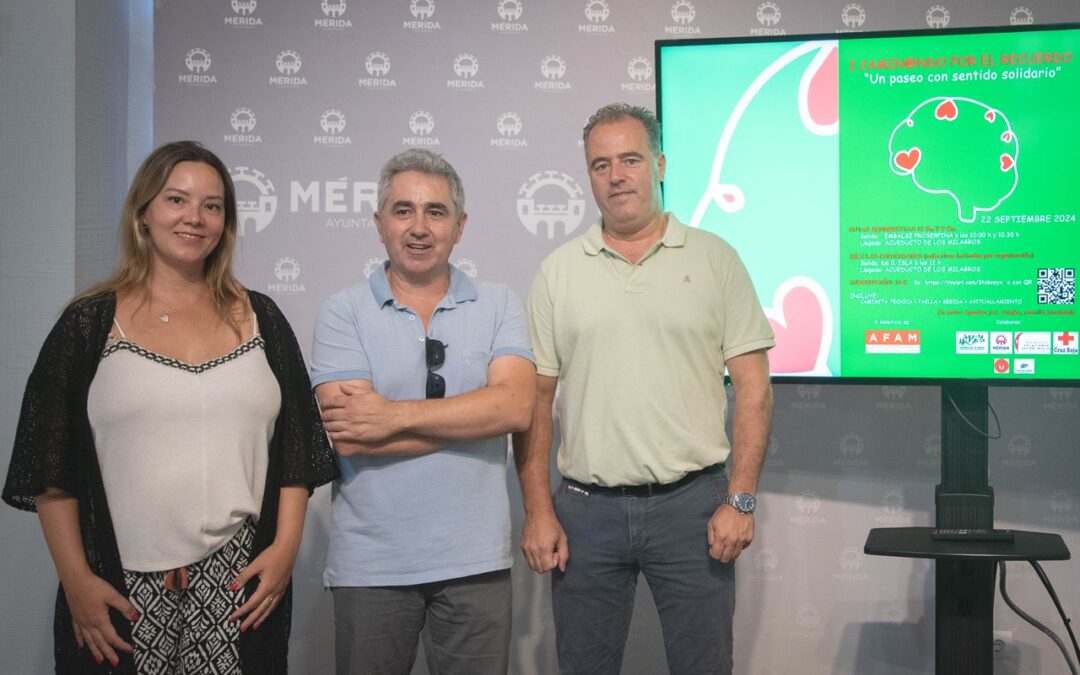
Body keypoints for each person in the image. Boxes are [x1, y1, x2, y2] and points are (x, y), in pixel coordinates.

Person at [3, 141, 340, 674]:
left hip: (240, 586)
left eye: (212, 205)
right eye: (176, 200)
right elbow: (50, 468)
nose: (195, 218)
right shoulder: (88, 325)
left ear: (226, 222)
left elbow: (299, 448)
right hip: (119, 589)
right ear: (144, 212)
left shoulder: (262, 319)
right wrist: (77, 581)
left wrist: (284, 551)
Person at [513, 103, 775, 674]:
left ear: (658, 164)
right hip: (585, 513)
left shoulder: (715, 259)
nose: (617, 176)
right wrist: (538, 508)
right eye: (601, 164)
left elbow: (755, 389)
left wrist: (742, 498)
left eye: (630, 159)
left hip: (693, 507)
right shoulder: (558, 271)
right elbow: (533, 403)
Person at [310, 148, 536, 675]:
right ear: (378, 223)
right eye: (403, 210)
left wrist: (391, 415)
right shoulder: (342, 311)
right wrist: (476, 420)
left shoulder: (500, 303)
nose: (419, 227)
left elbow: (516, 407)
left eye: (436, 212)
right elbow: (349, 434)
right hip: (371, 567)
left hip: (476, 563)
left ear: (460, 226)